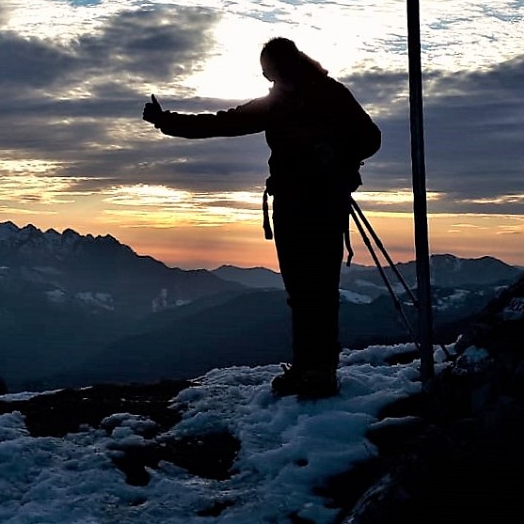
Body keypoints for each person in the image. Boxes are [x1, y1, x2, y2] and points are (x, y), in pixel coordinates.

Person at [142, 37, 381, 399]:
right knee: (303, 291)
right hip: (299, 201)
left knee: (314, 289)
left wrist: (333, 149)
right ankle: (308, 368)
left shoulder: (328, 95)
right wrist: (166, 122)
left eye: (269, 73)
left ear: (284, 67)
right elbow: (224, 122)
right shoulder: (283, 101)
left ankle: (320, 372)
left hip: (318, 202)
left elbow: (370, 138)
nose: (269, 81)